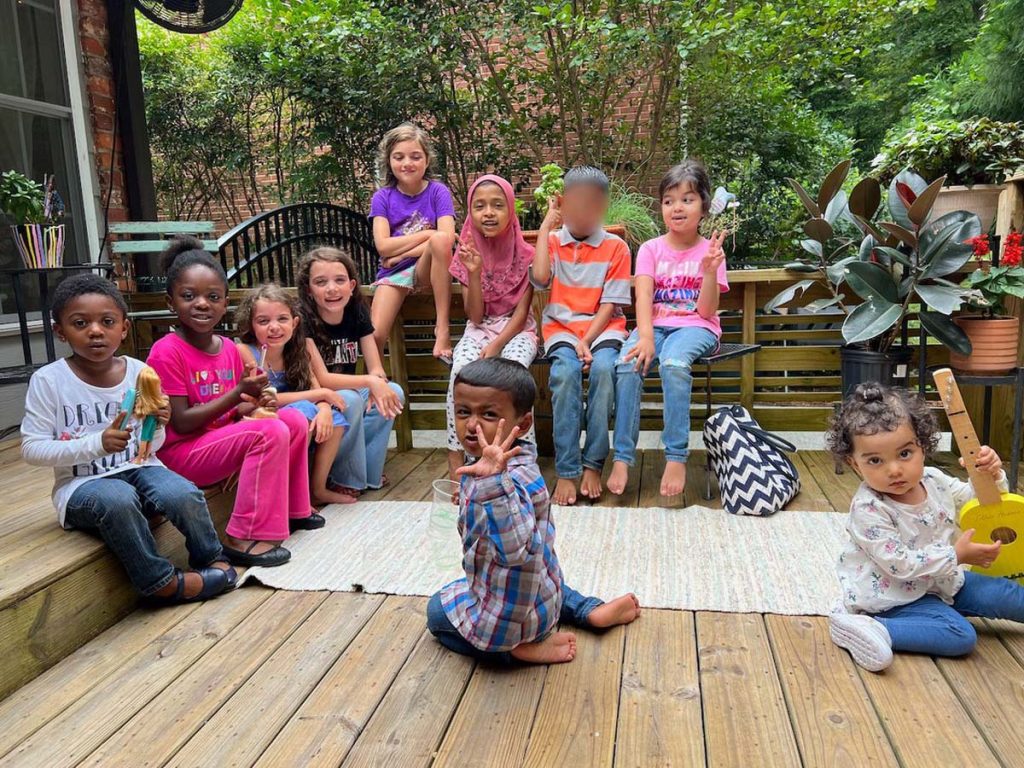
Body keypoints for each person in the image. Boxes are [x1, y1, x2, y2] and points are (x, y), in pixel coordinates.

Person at [21, 273, 233, 603]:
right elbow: (31, 449)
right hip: (82, 486)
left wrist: (158, 426)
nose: (95, 331)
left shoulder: (138, 372)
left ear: (123, 328)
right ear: (60, 331)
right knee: (119, 498)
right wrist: (97, 443)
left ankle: (211, 558)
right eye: (80, 323)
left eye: (107, 321)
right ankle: (158, 582)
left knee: (182, 492)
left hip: (140, 467)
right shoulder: (49, 381)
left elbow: (152, 446)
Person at [427, 358, 641, 665]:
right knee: (542, 578)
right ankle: (588, 610)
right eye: (463, 412)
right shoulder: (526, 464)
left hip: (510, 619)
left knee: (437, 611)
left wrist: (490, 484)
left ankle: (516, 652)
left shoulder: (497, 481)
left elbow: (515, 552)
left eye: (488, 414)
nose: (472, 425)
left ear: (522, 424)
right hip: (543, 597)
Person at [147, 236, 322, 568]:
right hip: (181, 454)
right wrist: (237, 395)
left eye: (212, 297)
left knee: (293, 421)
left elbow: (232, 411)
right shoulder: (166, 351)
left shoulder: (226, 348)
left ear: (225, 302)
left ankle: (293, 509)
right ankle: (243, 534)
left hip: (216, 440)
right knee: (268, 432)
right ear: (171, 302)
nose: (202, 304)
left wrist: (255, 403)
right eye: (189, 296)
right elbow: (181, 422)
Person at [826, 382, 1024, 672]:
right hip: (896, 595)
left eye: (904, 454)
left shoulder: (933, 480)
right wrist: (956, 556)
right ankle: (870, 627)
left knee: (1008, 594)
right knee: (959, 636)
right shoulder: (869, 509)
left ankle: (937, 610)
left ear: (923, 445)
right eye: (875, 460)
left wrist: (991, 475)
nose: (894, 469)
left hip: (943, 581)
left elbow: (975, 500)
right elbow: (899, 565)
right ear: (854, 464)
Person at [608, 160, 729, 498]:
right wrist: (645, 336)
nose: (677, 207)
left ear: (703, 207)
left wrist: (708, 272)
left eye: (687, 199)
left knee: (675, 364)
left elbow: (706, 311)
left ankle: (675, 455)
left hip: (696, 328)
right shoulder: (650, 249)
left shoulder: (712, 251)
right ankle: (622, 456)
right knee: (627, 364)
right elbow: (643, 295)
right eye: (669, 200)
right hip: (655, 326)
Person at [530, 166, 631, 504]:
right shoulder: (555, 242)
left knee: (605, 371)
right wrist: (546, 226)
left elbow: (610, 304)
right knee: (565, 374)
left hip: (603, 329)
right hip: (561, 328)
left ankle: (593, 462)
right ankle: (568, 469)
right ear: (562, 202)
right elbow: (541, 280)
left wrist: (586, 340)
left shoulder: (616, 247)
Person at [446, 174, 538, 479]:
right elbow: (473, 316)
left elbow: (523, 312)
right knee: (460, 371)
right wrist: (473, 273)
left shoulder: (527, 255)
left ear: (510, 209)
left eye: (498, 205)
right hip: (479, 328)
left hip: (517, 330)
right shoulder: (466, 252)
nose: (488, 212)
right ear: (470, 213)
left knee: (513, 374)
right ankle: (457, 462)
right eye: (480, 206)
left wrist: (497, 347)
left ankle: (522, 457)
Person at [235, 283, 357, 507]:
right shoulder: (247, 353)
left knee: (336, 420)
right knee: (304, 410)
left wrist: (324, 408)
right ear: (251, 327)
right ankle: (292, 494)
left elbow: (314, 389)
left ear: (295, 322)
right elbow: (262, 399)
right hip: (262, 417)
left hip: (297, 413)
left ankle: (317, 489)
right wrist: (320, 396)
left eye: (282, 319)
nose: (274, 327)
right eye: (263, 321)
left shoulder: (298, 350)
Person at [297, 246, 405, 495]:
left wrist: (377, 382)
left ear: (352, 285)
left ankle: (367, 472)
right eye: (320, 282)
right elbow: (322, 379)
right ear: (310, 291)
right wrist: (369, 381)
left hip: (350, 391)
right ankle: (343, 477)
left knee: (393, 393)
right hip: (317, 396)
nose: (332, 288)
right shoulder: (303, 320)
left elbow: (376, 366)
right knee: (351, 399)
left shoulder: (356, 312)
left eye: (339, 280)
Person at [368, 122, 457, 361]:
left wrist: (399, 254)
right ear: (389, 161)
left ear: (426, 161)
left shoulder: (438, 192)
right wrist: (427, 235)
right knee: (374, 335)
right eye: (399, 157)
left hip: (428, 268)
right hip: (394, 274)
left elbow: (446, 239)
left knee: (439, 240)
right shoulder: (382, 198)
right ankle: (375, 386)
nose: (407, 163)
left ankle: (442, 328)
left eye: (415, 156)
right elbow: (382, 246)